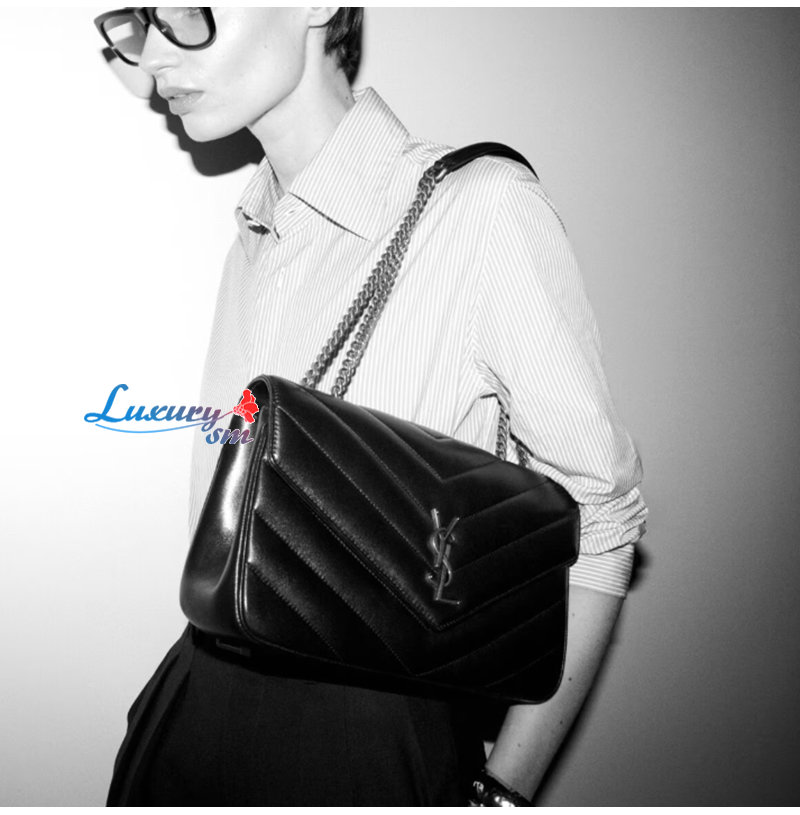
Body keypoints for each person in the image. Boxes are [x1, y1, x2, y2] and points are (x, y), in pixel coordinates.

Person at [97, 7, 647, 806]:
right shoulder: (254, 236)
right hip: (192, 698)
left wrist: (503, 792)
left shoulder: (479, 210)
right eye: (137, 20)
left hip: (363, 737)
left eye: (187, 11)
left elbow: (601, 518)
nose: (153, 56)